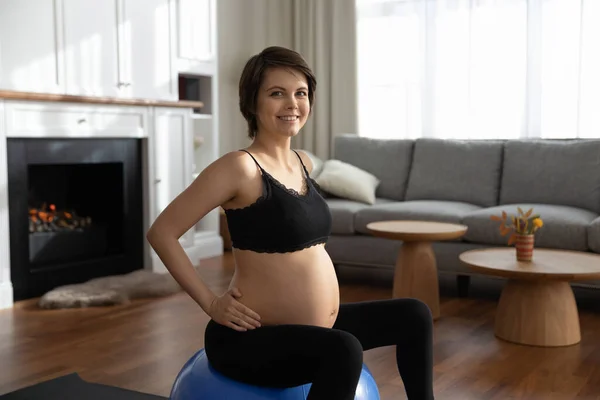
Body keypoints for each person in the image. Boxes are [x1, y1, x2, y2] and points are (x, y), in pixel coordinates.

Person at [146, 46, 435, 400]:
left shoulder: (303, 163)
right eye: (276, 93)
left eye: (300, 93)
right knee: (343, 350)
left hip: (312, 331)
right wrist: (211, 303)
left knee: (414, 315)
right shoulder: (240, 167)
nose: (292, 104)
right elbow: (162, 232)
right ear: (252, 102)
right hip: (251, 338)